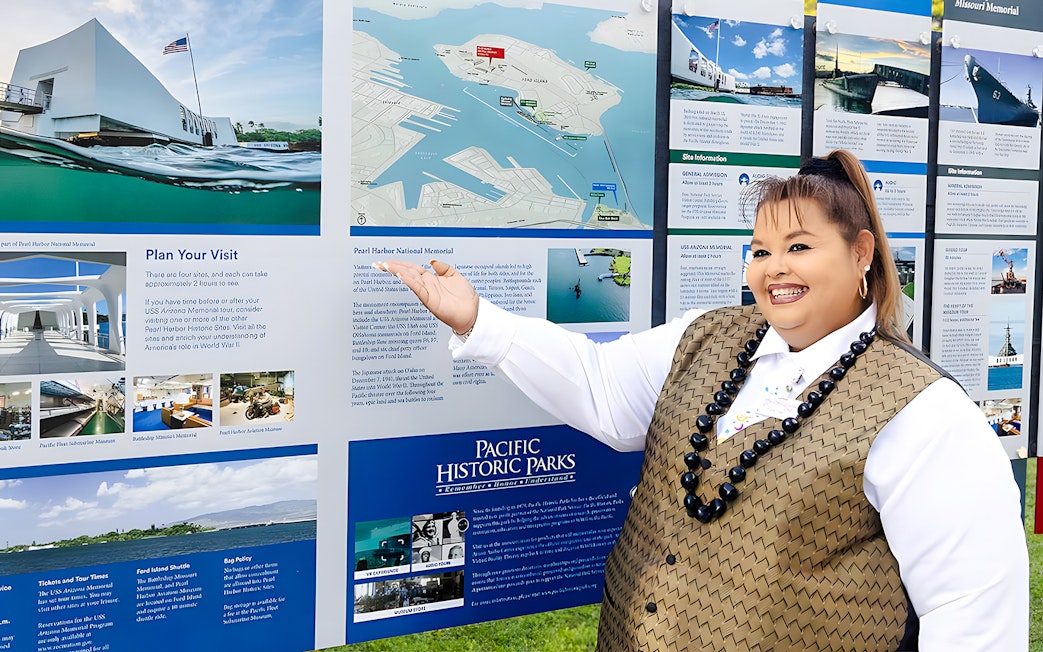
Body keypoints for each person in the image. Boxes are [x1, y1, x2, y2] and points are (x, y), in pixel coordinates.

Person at [376, 150, 1028, 650]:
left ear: (861, 254)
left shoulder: (924, 412)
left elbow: (970, 613)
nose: (774, 267)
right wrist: (478, 321)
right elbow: (602, 388)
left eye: (799, 247)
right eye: (760, 250)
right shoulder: (707, 336)